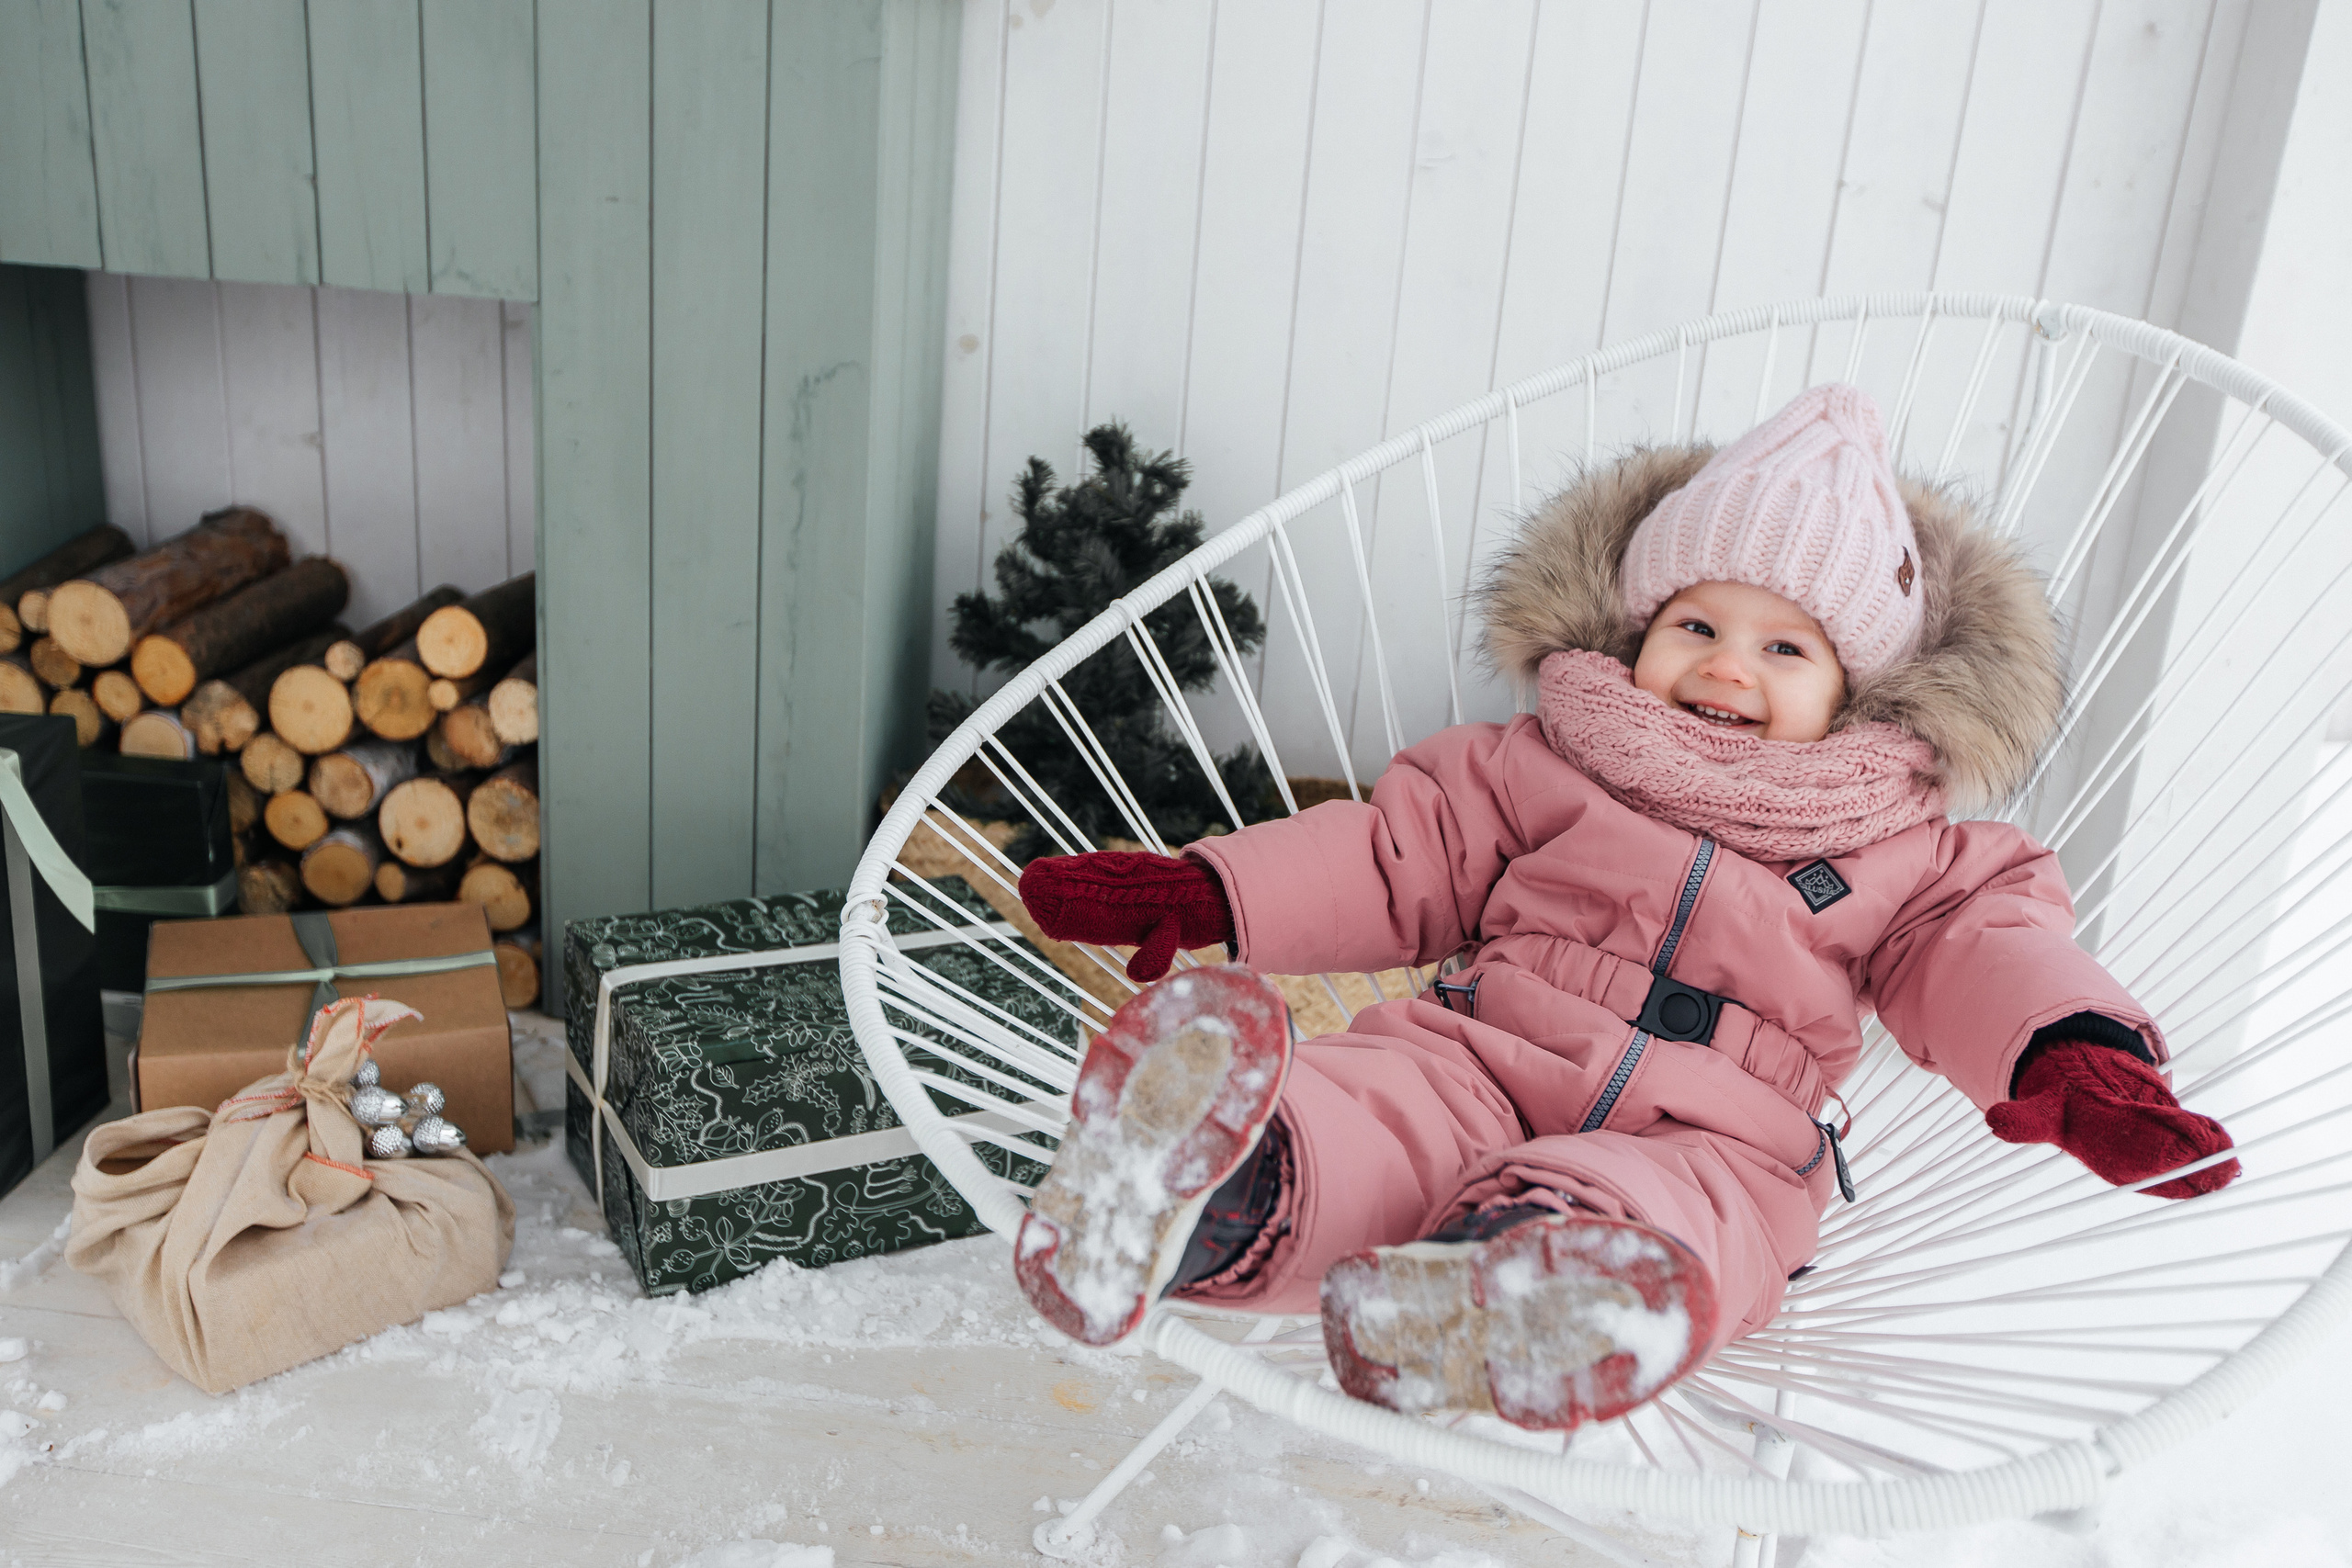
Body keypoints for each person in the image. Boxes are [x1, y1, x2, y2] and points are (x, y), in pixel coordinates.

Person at [1007, 384, 2240, 1431]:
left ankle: (1505, 1294)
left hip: (1717, 1134)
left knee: (1669, 1212)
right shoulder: (1544, 762)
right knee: (1366, 1114)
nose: (1725, 665)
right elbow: (1397, 855)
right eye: (1696, 623)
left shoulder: (1908, 850)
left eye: (1786, 649)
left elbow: (1985, 950)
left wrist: (2072, 1052)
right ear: (1637, 629)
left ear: (1862, 696)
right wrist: (1212, 887)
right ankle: (1209, 1191)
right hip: (1479, 1053)